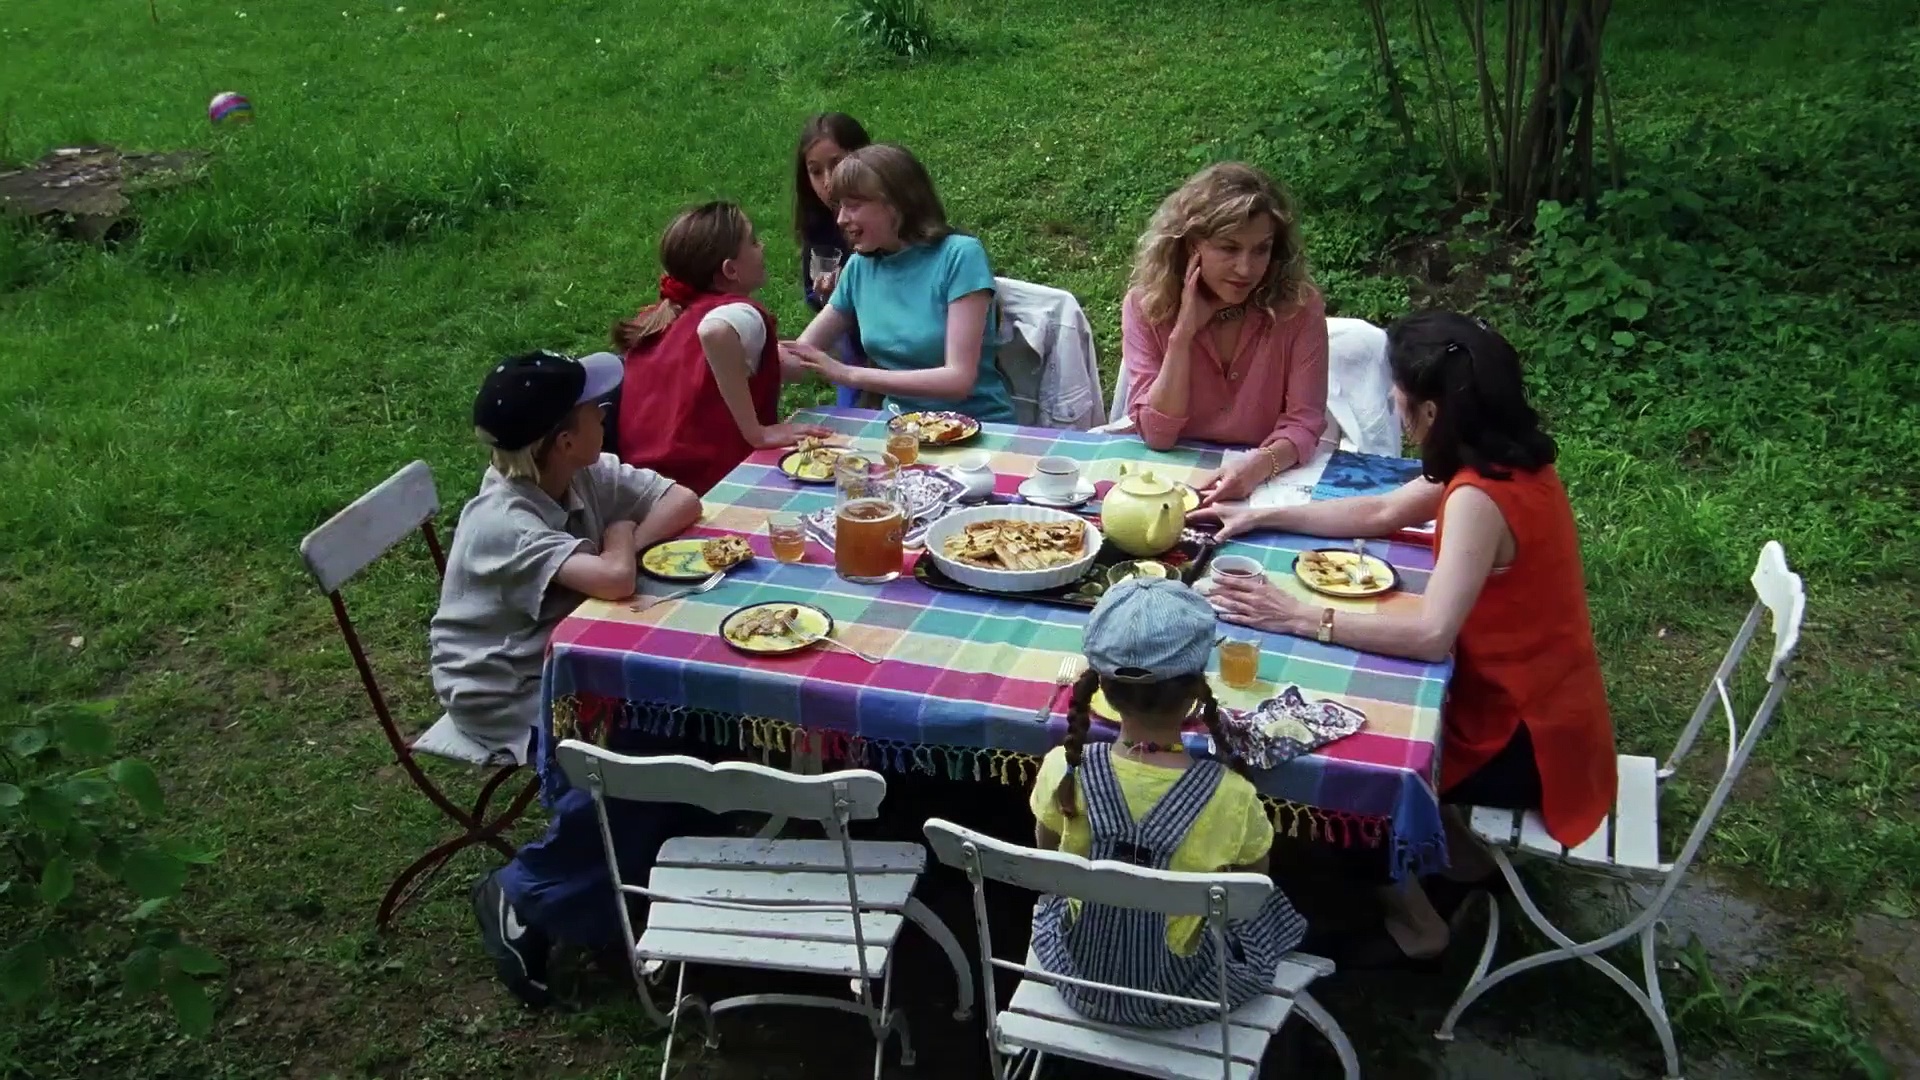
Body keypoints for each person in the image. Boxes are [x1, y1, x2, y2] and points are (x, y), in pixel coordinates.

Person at [1194, 311, 1617, 965]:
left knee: (1349, 757)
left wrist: (1295, 616)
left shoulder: (1480, 495)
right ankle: (1462, 863)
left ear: (1430, 409)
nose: (1391, 401)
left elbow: (1429, 634)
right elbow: (1386, 509)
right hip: (1548, 704)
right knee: (1359, 706)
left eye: (1397, 392)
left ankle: (1419, 927)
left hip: (1522, 735)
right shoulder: (1500, 456)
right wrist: (1263, 515)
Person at [430, 351, 712, 1006]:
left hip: (575, 651)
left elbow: (683, 500)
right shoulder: (504, 522)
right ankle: (522, 892)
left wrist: (624, 538)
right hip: (505, 682)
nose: (605, 415)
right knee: (635, 756)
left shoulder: (582, 474)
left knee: (681, 720)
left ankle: (650, 864)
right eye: (593, 410)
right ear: (562, 441)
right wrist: (622, 542)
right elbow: (614, 579)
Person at [1028, 578, 1307, 1028]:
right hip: (1183, 992)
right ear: (1197, 692)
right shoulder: (1231, 795)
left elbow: (1048, 858)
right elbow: (1251, 891)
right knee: (1265, 904)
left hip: (1076, 975)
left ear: (1103, 690)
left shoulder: (1064, 767)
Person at [1120, 162, 1328, 504]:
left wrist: (1256, 467)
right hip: (1173, 480)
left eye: (1261, 249)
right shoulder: (1146, 307)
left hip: (1268, 479)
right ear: (1192, 246)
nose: (1246, 269)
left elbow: (1304, 423)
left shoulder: (1299, 308)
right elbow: (1157, 435)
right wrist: (1182, 335)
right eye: (1229, 249)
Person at [779, 143, 1016, 423]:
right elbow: (802, 356)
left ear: (897, 204)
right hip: (902, 429)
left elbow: (958, 380)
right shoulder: (859, 267)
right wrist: (750, 344)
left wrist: (848, 374)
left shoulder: (960, 256)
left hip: (976, 427)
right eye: (839, 206)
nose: (841, 219)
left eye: (853, 206)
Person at [613, 201, 831, 494]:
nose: (762, 247)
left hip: (644, 489)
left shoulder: (664, 318)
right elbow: (715, 332)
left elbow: (790, 367)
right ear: (730, 270)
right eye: (753, 241)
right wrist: (757, 434)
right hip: (707, 488)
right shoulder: (740, 312)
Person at [793, 112, 874, 409]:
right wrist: (826, 297)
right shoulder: (819, 230)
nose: (828, 182)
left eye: (837, 164)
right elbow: (815, 295)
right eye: (815, 172)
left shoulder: (887, 229)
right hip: (853, 354)